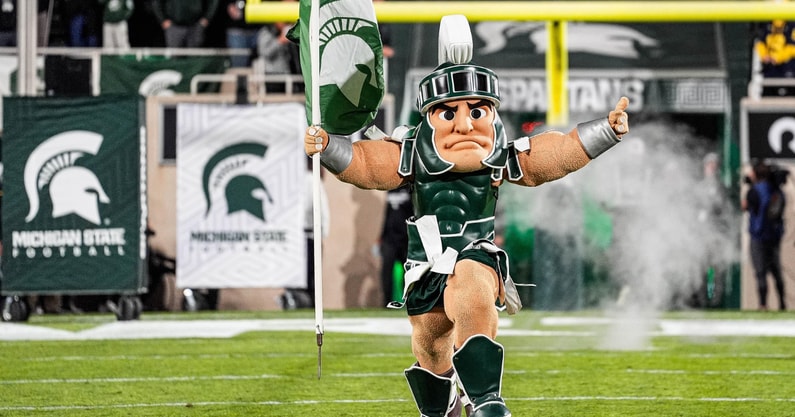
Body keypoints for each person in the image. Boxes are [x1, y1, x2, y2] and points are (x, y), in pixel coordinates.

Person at [304, 15, 629, 417]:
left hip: (474, 252)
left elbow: (553, 154)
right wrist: (329, 147)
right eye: (448, 113)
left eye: (476, 112)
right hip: (424, 265)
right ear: (429, 116)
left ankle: (487, 401)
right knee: (429, 339)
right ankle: (444, 408)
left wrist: (606, 132)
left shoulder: (498, 152)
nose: (463, 124)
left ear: (491, 113)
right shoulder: (411, 149)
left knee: (470, 288)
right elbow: (370, 166)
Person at [742, 160, 788, 311]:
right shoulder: (777, 191)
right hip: (774, 236)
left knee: (760, 272)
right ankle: (782, 303)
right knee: (776, 272)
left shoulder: (755, 191)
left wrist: (749, 186)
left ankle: (763, 304)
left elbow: (746, 207)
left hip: (758, 236)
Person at [379, 185, 412, 305]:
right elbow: (387, 214)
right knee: (386, 272)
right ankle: (386, 302)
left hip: (406, 238)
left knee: (408, 272)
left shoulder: (411, 189)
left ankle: (409, 301)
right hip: (390, 238)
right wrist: (381, 236)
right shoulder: (390, 189)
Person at [753, 16, 795, 96]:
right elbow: (760, 43)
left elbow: (792, 47)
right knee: (768, 93)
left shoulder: (791, 24)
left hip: (788, 69)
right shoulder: (766, 25)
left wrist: (778, 57)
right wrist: (764, 56)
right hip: (769, 70)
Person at [151, 0, 220, 48]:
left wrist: (207, 18)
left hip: (195, 26)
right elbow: (156, 2)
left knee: (194, 60)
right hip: (174, 26)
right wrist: (162, 19)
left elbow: (214, 1)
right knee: (174, 60)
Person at [225, 0, 262, 67]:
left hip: (259, 29)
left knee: (261, 67)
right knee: (239, 67)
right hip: (237, 31)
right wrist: (229, 6)